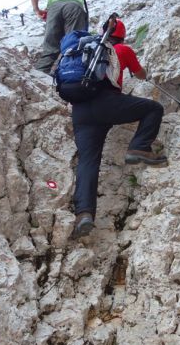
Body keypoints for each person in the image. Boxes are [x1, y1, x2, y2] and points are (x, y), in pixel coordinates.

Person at [70, 17, 167, 239]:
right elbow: (140, 74)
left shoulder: (84, 51)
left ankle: (84, 214)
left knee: (88, 161)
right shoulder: (122, 49)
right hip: (107, 103)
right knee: (153, 109)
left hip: (80, 111)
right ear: (121, 36)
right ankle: (139, 147)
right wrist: (141, 73)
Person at [30, 0, 88, 73]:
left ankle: (39, 75)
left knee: (51, 47)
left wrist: (36, 9)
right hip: (74, 7)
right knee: (73, 44)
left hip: (55, 8)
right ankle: (72, 75)